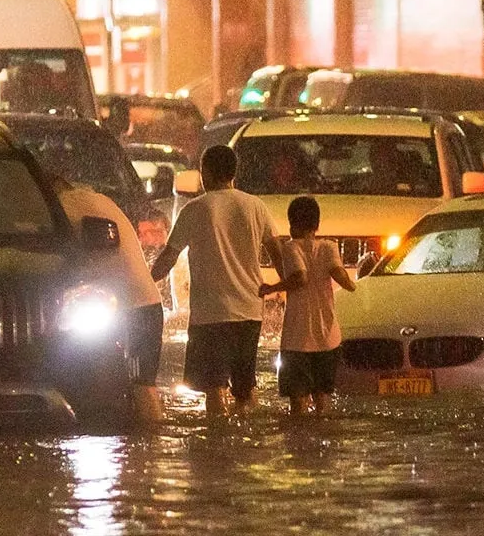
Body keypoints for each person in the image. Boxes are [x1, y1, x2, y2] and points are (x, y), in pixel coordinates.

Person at [151, 145, 284, 417]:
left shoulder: (195, 208)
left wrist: (144, 282)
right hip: (250, 312)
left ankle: (217, 444)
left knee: (214, 389)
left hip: (211, 316)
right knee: (246, 389)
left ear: (206, 173)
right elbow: (278, 253)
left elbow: (169, 257)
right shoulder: (255, 206)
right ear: (233, 173)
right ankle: (248, 441)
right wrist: (288, 288)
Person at [56, 181, 165, 424]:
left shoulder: (63, 206)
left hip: (132, 308)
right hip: (144, 304)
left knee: (140, 385)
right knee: (139, 384)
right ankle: (145, 450)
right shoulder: (99, 199)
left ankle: (150, 442)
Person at [259, 196, 356, 416]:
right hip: (328, 337)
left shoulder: (291, 247)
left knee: (298, 403)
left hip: (297, 340)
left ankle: (301, 445)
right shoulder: (330, 247)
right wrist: (354, 285)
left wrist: (271, 288)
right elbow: (341, 277)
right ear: (317, 225)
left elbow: (300, 278)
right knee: (323, 400)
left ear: (292, 225)